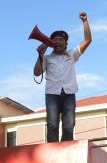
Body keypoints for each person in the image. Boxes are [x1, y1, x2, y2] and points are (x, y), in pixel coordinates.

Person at [33, 11, 92, 142]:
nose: (58, 41)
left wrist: (85, 21)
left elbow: (88, 40)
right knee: (52, 124)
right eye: (55, 39)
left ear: (66, 44)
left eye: (61, 39)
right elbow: (36, 73)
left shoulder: (72, 54)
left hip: (69, 93)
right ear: (50, 43)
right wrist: (40, 55)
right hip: (52, 94)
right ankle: (53, 151)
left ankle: (66, 150)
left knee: (69, 126)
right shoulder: (47, 58)